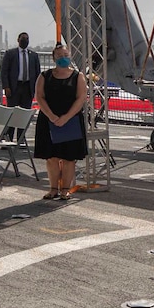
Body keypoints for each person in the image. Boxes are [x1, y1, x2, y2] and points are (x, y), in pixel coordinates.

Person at [34, 39, 89, 201]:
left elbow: (81, 98)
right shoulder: (45, 76)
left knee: (68, 158)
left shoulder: (78, 76)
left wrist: (65, 117)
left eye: (66, 55)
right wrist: (51, 116)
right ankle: (53, 189)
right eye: (60, 55)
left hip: (70, 121)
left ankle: (65, 189)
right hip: (49, 120)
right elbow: (40, 97)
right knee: (51, 158)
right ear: (54, 58)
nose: (63, 57)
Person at [0, 32, 38, 109]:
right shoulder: (10, 54)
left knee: (26, 111)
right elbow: (4, 71)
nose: (25, 41)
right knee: (12, 111)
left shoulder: (33, 56)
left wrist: (36, 88)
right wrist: (6, 86)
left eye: (27, 39)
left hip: (28, 88)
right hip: (14, 87)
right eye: (23, 38)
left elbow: (37, 73)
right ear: (18, 40)